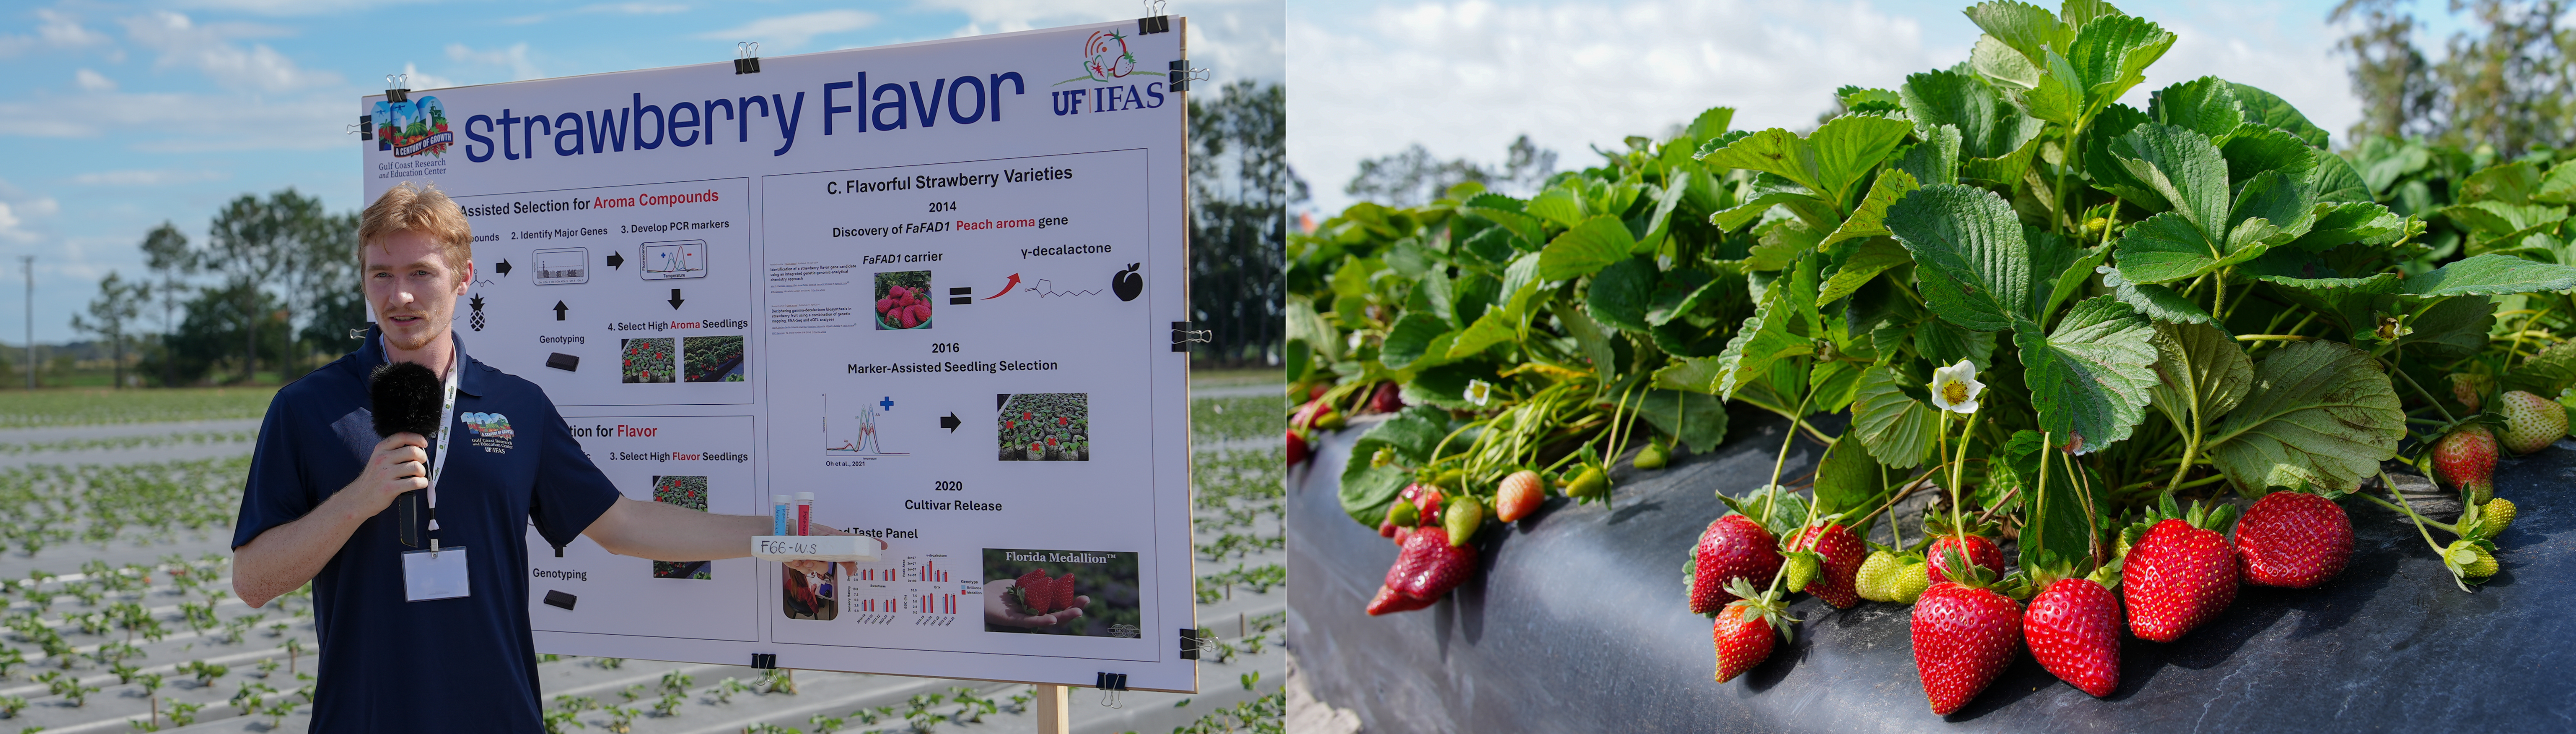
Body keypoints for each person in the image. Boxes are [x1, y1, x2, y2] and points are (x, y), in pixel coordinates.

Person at [230, 181, 852, 732]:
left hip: (500, 713)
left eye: (421, 272)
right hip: (362, 716)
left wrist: (773, 537)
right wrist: (356, 501)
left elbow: (623, 524)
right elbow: (254, 580)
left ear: (463, 276)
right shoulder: (306, 408)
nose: (400, 296)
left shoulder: (517, 404)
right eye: (380, 275)